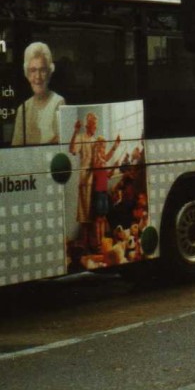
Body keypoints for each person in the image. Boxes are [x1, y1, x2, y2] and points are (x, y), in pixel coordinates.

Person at [69, 112, 121, 253]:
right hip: (86, 179)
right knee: (85, 212)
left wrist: (115, 146)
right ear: (88, 125)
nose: (95, 128)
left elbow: (104, 157)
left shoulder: (96, 141)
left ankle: (94, 244)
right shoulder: (81, 137)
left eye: (96, 125)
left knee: (95, 214)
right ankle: (87, 244)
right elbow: (72, 150)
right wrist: (75, 131)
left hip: (96, 181)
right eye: (94, 125)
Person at [11, 42, 65, 146]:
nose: (37, 76)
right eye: (33, 70)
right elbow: (15, 148)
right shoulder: (23, 108)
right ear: (27, 74)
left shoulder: (58, 102)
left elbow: (61, 144)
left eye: (42, 70)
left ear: (49, 72)